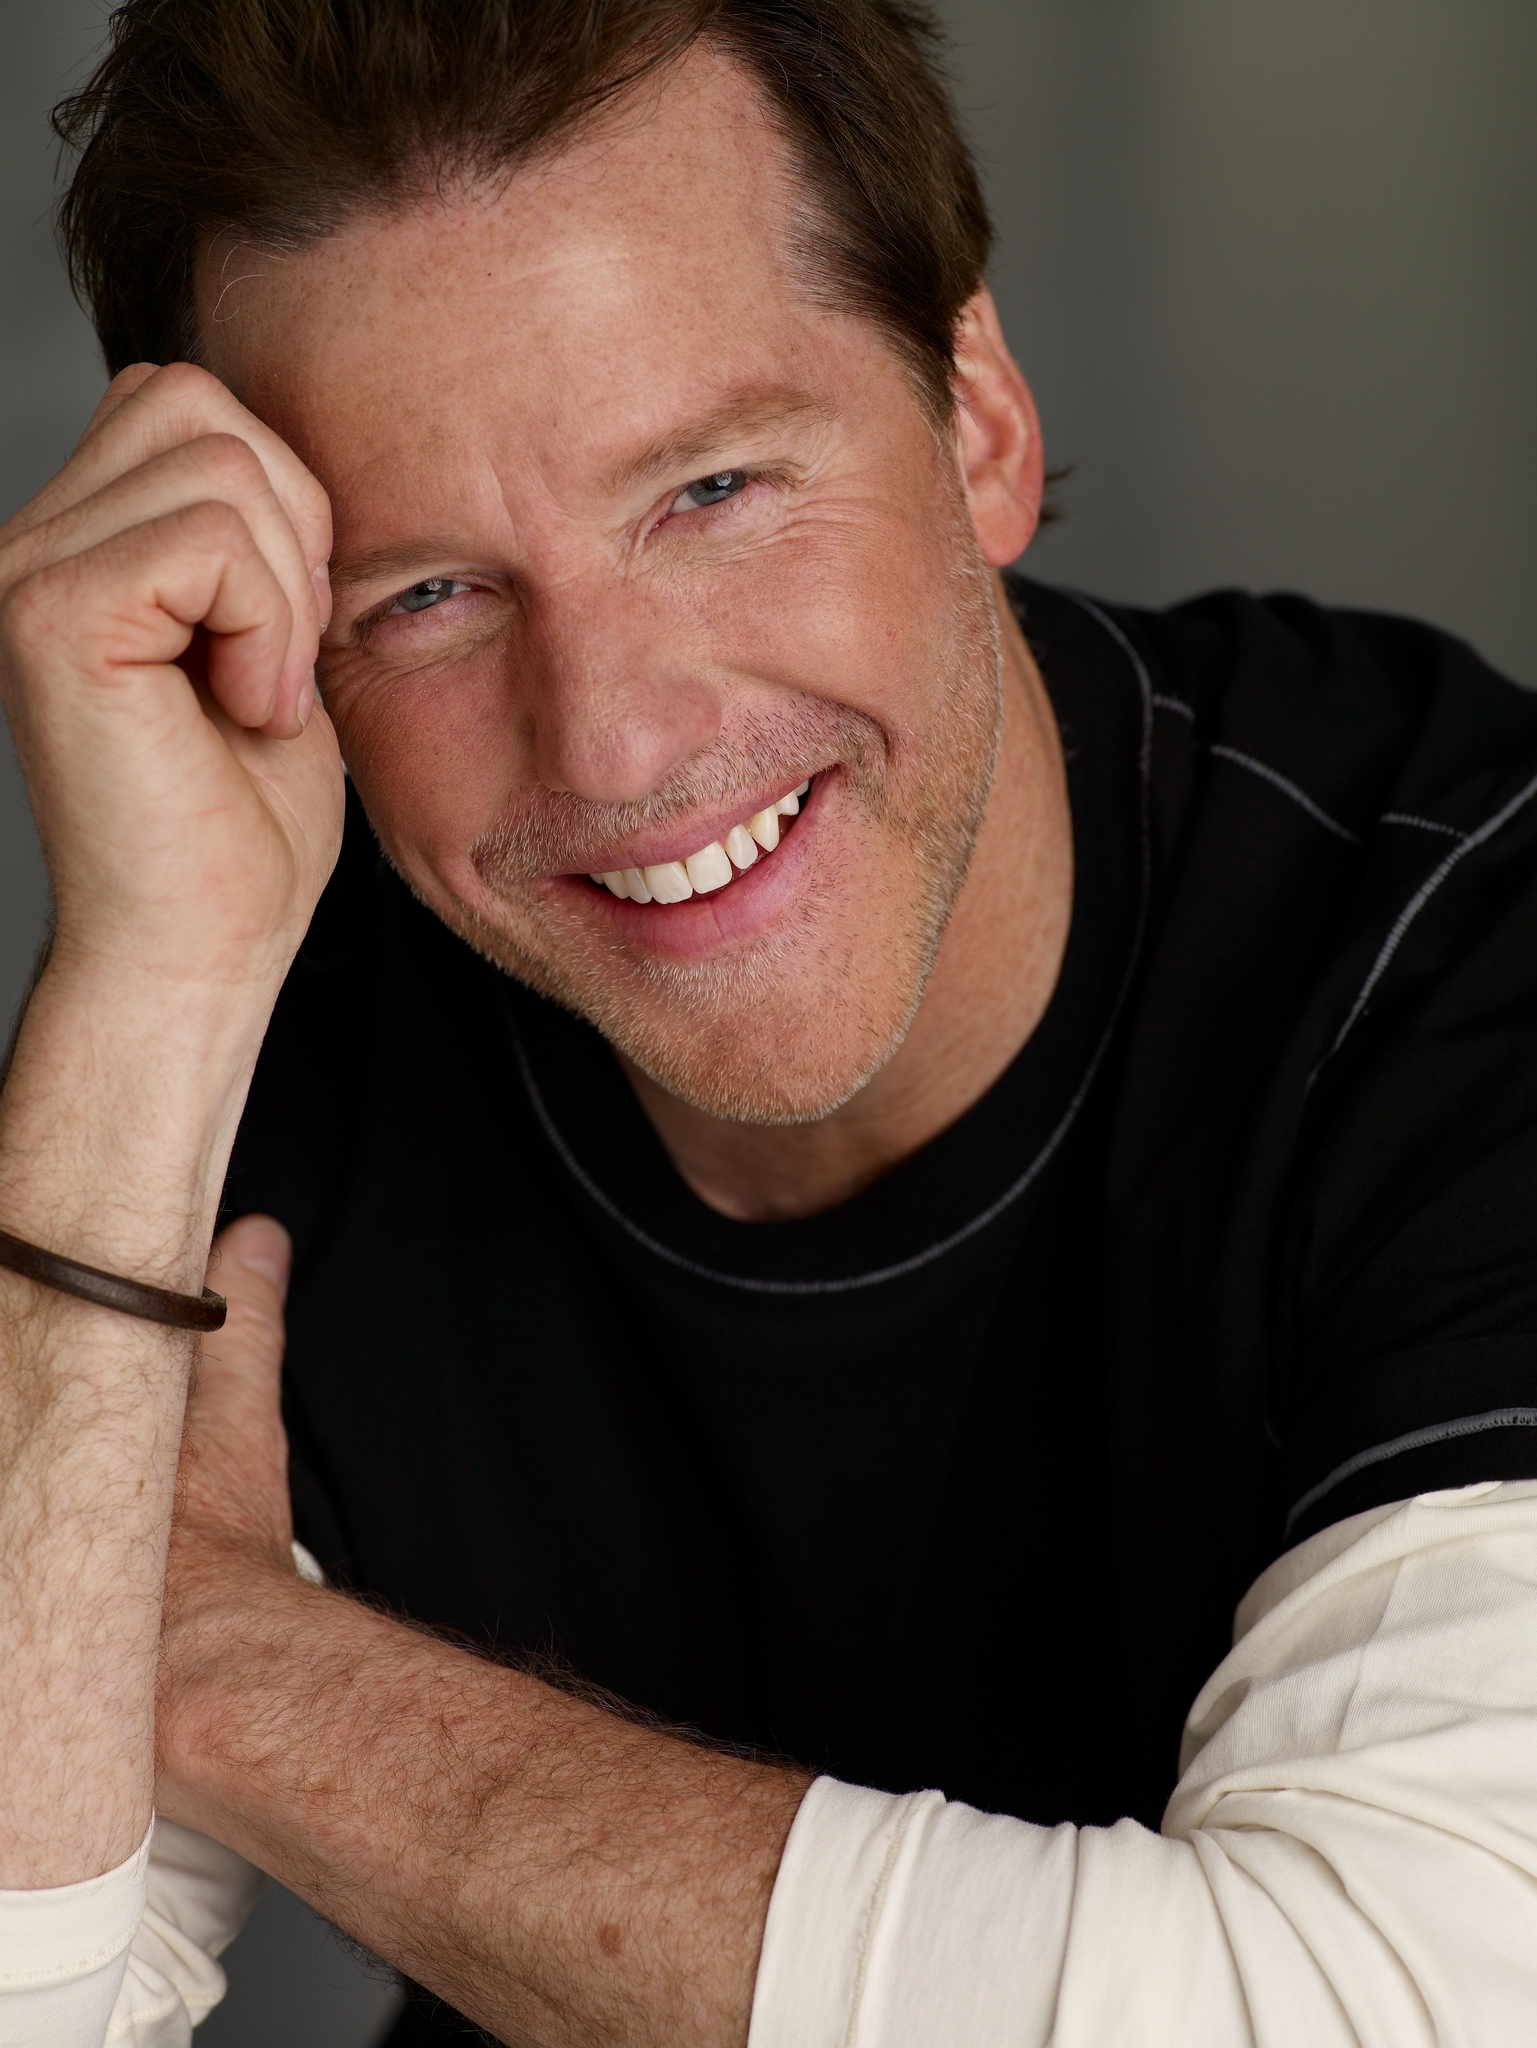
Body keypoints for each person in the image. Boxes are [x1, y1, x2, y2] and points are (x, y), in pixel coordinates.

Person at [3, 0, 1537, 2042]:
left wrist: (209, 1669)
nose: (615, 740)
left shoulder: (1465, 941)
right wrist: (145, 992)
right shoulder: (247, 1014)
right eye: (423, 595)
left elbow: (1386, 2001)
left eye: (711, 488)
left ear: (975, 422)